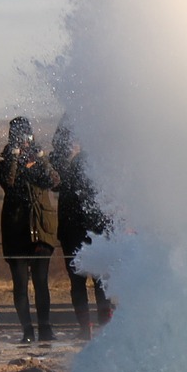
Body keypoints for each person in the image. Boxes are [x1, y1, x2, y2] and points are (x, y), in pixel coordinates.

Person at [0, 117, 61, 343]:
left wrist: (41, 158)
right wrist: (14, 156)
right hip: (16, 231)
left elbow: (54, 181)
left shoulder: (40, 162)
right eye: (18, 136)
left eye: (26, 135)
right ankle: (27, 329)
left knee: (41, 281)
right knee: (20, 283)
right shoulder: (4, 163)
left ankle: (45, 326)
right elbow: (9, 181)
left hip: (41, 229)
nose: (23, 141)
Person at [50, 125, 113, 340]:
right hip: (70, 229)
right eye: (70, 137)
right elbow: (55, 183)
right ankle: (85, 327)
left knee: (100, 280)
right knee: (77, 281)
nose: (74, 142)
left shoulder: (97, 157)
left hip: (96, 227)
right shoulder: (58, 161)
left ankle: (106, 325)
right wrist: (67, 158)